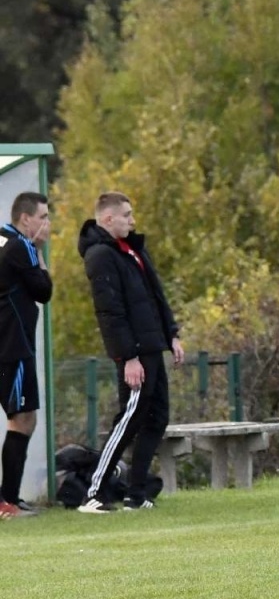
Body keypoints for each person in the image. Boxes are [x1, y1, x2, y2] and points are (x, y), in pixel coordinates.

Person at [77, 192, 185, 513]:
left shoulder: (133, 249)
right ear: (108, 218)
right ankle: (93, 492)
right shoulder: (100, 256)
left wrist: (172, 335)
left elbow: (155, 296)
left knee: (157, 418)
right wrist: (128, 357)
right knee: (129, 418)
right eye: (126, 215)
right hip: (135, 353)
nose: (132, 220)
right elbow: (110, 314)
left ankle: (136, 495)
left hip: (153, 346)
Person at [0, 193, 51, 518]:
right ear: (25, 219)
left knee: (22, 417)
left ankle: (9, 499)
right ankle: (8, 501)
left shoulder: (1, 238)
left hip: (7, 345)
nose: (47, 224)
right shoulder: (22, 246)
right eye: (44, 217)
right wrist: (41, 256)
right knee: (22, 418)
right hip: (13, 347)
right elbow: (44, 292)